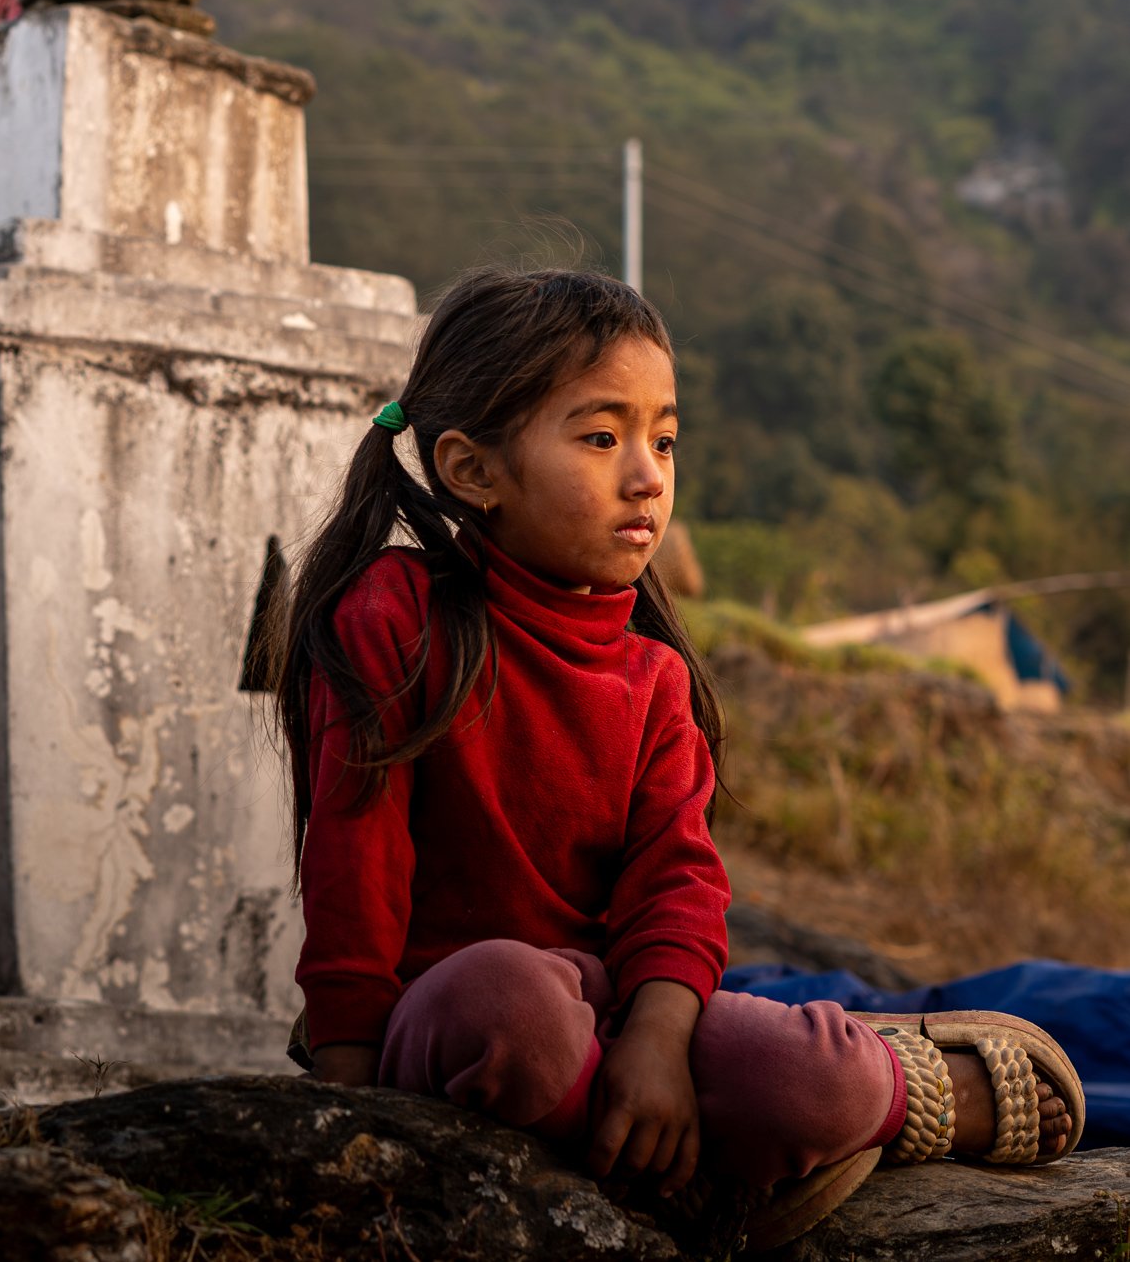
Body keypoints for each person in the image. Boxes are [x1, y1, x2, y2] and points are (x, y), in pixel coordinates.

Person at [271, 267, 1084, 1249]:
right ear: (473, 470)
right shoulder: (394, 618)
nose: (648, 475)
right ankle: (699, 1176)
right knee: (509, 1003)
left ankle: (917, 1087)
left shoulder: (651, 676)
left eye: (664, 439)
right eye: (602, 437)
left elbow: (677, 881)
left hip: (620, 1013)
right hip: (448, 1024)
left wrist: (659, 1042)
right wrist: (347, 1104)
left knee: (807, 1071)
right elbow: (353, 868)